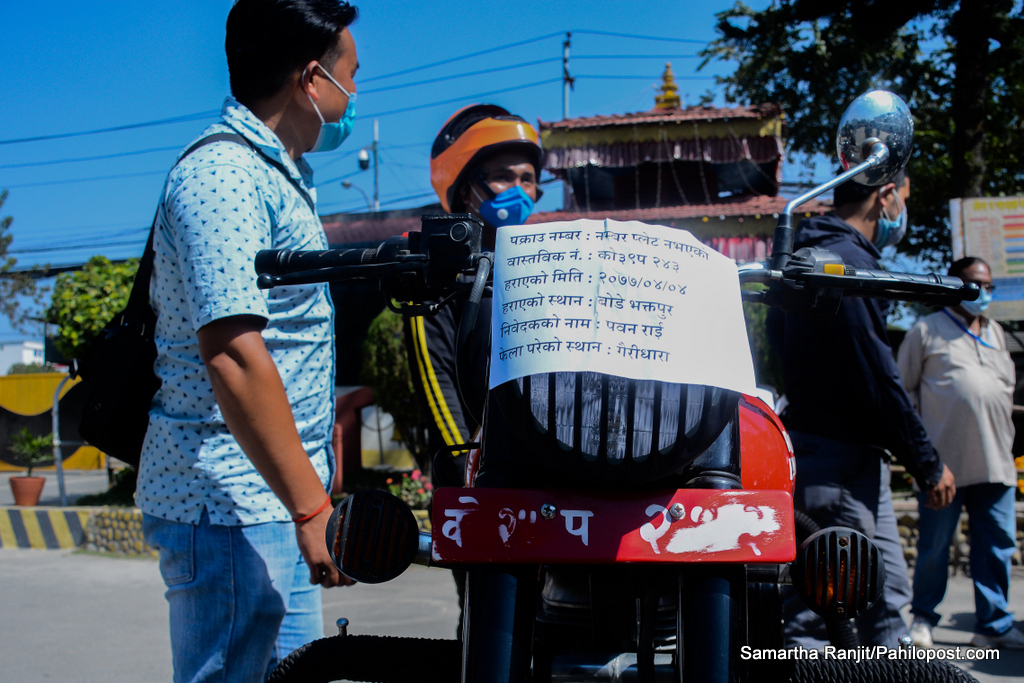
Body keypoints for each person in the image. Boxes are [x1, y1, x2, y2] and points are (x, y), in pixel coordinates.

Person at [136, 1, 360, 680]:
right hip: (230, 503)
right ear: (312, 78)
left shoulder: (275, 173)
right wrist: (311, 503)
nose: (355, 96)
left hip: (269, 496)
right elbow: (234, 353)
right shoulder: (222, 178)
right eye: (353, 76)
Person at [767, 170, 956, 649]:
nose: (901, 214)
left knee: (884, 606)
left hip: (847, 457)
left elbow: (774, 342)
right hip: (837, 464)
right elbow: (877, 378)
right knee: (822, 616)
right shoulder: (846, 263)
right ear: (885, 195)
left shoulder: (808, 258)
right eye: (903, 199)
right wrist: (928, 464)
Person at [404, 104, 543, 636]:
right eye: (504, 177)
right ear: (465, 188)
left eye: (529, 179)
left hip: (544, 471)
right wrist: (463, 467)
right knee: (491, 622)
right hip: (473, 475)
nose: (520, 190)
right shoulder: (433, 271)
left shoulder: (541, 260)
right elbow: (435, 382)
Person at [898, 256, 1024, 650]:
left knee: (997, 546)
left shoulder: (999, 334)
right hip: (943, 466)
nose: (982, 293)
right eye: (974, 284)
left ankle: (995, 623)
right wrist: (918, 459)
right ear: (954, 285)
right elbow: (904, 395)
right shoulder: (925, 331)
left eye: (988, 286)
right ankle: (923, 618)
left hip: (997, 462)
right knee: (935, 547)